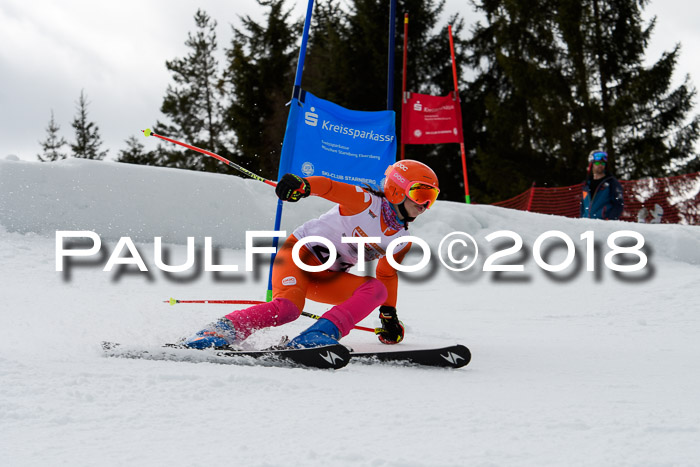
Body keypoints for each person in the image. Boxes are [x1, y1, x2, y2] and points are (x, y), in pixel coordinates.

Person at [181, 160, 440, 349]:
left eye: (432, 197)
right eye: (421, 194)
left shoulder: (401, 240)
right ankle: (218, 331)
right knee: (288, 309)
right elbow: (327, 187)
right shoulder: (364, 202)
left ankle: (319, 335)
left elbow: (387, 274)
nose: (425, 205)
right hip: (297, 256)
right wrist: (303, 185)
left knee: (376, 290)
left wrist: (389, 315)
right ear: (397, 189)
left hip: (326, 277)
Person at [580, 150, 624, 220]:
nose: (600, 165)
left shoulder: (611, 183)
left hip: (603, 224)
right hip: (587, 224)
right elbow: (583, 207)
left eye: (603, 163)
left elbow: (618, 205)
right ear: (592, 164)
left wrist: (610, 220)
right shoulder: (586, 185)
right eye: (597, 163)